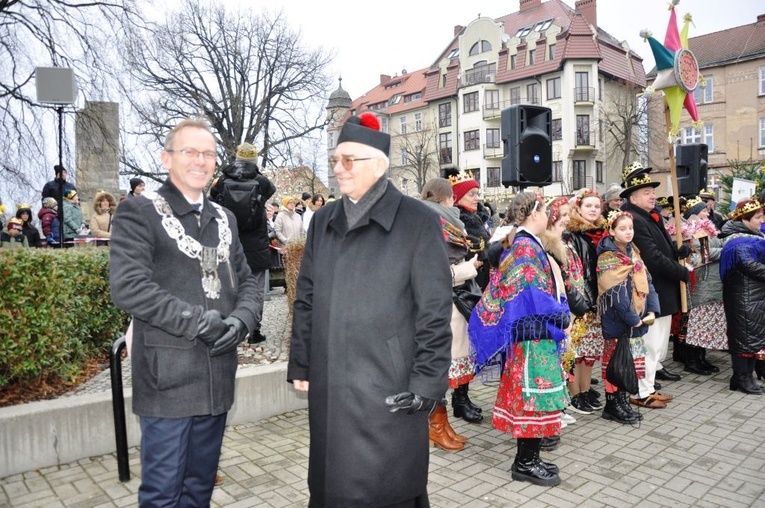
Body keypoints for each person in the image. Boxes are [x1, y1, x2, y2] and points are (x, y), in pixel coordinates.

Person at [287, 112, 452, 507]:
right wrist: (302, 363)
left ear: (378, 165)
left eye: (349, 160)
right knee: (331, 482)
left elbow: (434, 311)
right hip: (330, 380)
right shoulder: (324, 219)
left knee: (387, 486)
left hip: (387, 383)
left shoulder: (418, 221)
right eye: (335, 160)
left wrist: (427, 385)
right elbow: (306, 297)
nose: (339, 169)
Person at [109, 117, 259, 506]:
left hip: (217, 378)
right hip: (168, 382)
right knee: (163, 495)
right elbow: (130, 288)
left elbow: (247, 283)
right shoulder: (139, 212)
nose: (200, 160)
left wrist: (241, 320)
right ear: (166, 158)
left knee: (200, 490)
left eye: (208, 153)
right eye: (189, 151)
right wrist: (200, 322)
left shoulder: (224, 218)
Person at [469, 191, 569, 487]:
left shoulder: (524, 242)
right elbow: (530, 294)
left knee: (534, 396)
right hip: (531, 334)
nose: (549, 216)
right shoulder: (524, 245)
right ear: (533, 214)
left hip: (531, 333)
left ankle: (529, 458)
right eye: (546, 211)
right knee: (532, 397)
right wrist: (559, 313)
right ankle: (525, 462)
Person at [620, 162, 689, 409]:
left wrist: (676, 251)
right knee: (649, 345)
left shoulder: (647, 216)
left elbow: (661, 250)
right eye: (648, 192)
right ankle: (640, 391)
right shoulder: (635, 220)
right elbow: (652, 258)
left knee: (657, 346)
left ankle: (648, 387)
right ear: (633, 197)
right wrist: (682, 272)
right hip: (651, 292)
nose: (653, 195)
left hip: (662, 291)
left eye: (652, 191)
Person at [421, 177, 480, 450]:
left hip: (451, 304)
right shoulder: (434, 223)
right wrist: (468, 269)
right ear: (447, 199)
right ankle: (435, 426)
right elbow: (433, 273)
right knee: (439, 371)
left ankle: (442, 423)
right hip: (442, 305)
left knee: (445, 369)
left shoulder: (442, 221)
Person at [597, 211, 660, 423]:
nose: (628, 232)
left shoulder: (634, 252)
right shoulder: (607, 257)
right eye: (622, 229)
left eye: (630, 228)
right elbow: (616, 295)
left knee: (631, 361)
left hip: (637, 318)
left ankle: (623, 400)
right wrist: (633, 318)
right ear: (612, 231)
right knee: (616, 362)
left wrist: (652, 310)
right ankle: (612, 404)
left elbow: (648, 282)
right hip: (618, 320)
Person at [210, 142, 276, 345]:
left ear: (237, 158)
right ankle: (254, 331)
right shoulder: (262, 182)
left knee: (230, 286)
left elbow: (212, 199)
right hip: (256, 244)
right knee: (255, 288)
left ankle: (231, 328)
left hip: (229, 242)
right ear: (254, 160)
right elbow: (269, 193)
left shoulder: (222, 181)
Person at [444, 166, 489, 423]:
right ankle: (458, 401)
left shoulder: (476, 218)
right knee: (459, 349)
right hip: (458, 292)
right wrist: (476, 260)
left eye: (477, 193)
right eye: (471, 193)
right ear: (457, 197)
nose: (476, 198)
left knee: (468, 347)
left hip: (473, 288)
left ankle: (463, 398)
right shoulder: (454, 222)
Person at [564, 188, 607, 414]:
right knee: (576, 349)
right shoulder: (571, 234)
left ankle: (585, 388)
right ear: (578, 208)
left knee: (590, 349)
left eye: (596, 206)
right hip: (580, 299)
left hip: (596, 297)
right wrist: (583, 301)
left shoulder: (600, 232)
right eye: (588, 205)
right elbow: (574, 272)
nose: (593, 210)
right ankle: (574, 393)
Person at [719, 199, 765, 394]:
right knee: (743, 338)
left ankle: (748, 376)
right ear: (745, 219)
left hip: (753, 296)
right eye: (758, 217)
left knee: (752, 337)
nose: (762, 220)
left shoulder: (754, 236)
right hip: (743, 297)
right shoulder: (738, 241)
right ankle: (741, 378)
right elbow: (750, 265)